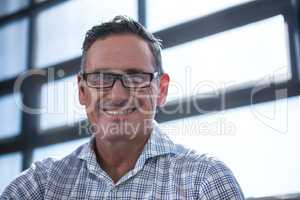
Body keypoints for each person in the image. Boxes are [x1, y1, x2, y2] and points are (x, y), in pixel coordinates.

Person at [1, 15, 244, 199]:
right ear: (82, 90)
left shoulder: (206, 181)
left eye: (136, 77)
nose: (117, 95)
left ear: (161, 90)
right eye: (100, 78)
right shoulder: (41, 185)